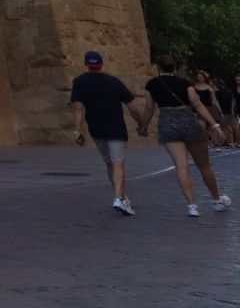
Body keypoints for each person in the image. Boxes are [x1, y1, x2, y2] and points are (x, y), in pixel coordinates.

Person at [144, 55, 230, 217]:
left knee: (181, 166)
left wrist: (143, 127)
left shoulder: (152, 84)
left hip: (167, 123)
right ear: (174, 68)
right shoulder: (185, 83)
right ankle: (217, 200)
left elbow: (149, 108)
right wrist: (215, 125)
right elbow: (197, 104)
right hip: (188, 121)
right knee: (204, 165)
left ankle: (192, 205)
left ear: (158, 68)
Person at [68, 49, 150, 215]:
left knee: (110, 164)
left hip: (96, 129)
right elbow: (132, 107)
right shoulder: (114, 81)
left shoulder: (79, 82)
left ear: (86, 64)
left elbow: (78, 109)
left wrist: (77, 131)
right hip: (116, 128)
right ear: (101, 64)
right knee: (118, 164)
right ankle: (118, 198)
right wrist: (142, 124)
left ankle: (123, 197)